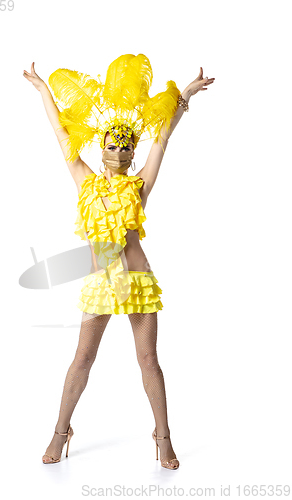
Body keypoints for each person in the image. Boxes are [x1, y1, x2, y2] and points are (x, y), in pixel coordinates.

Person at [23, 54, 214, 469]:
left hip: (139, 281)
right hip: (101, 283)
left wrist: (181, 96)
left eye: (127, 144)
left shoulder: (140, 185)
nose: (120, 148)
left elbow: (162, 137)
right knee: (83, 359)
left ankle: (162, 436)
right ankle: (61, 430)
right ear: (102, 146)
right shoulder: (85, 183)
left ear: (131, 151)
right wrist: (43, 91)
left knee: (148, 359)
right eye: (113, 142)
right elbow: (61, 135)